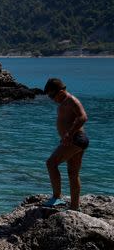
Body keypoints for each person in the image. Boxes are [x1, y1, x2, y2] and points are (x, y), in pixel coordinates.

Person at [43, 78, 89, 211]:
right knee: (73, 173)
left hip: (76, 139)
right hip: (76, 140)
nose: (51, 99)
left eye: (52, 95)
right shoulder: (64, 102)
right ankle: (74, 207)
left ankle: (56, 197)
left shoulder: (71, 100)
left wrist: (69, 134)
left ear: (61, 91)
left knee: (51, 163)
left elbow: (83, 117)